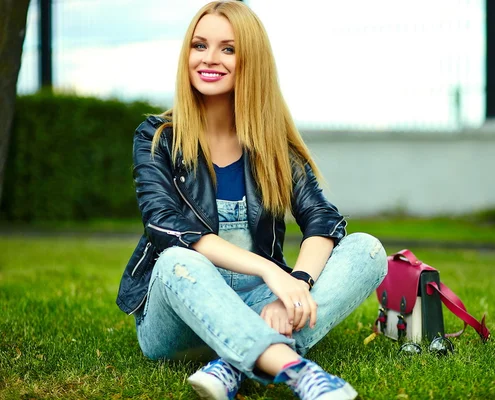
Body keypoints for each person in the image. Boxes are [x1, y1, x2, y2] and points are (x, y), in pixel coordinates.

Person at [116, 1, 387, 399]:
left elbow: (321, 220)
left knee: (367, 250)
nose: (210, 59)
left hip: (257, 299)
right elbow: (165, 226)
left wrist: (297, 282)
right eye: (199, 45)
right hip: (178, 305)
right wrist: (271, 271)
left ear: (251, 60)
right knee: (177, 258)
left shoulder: (272, 144)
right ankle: (297, 373)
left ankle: (232, 362)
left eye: (228, 48)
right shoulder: (157, 137)